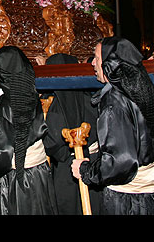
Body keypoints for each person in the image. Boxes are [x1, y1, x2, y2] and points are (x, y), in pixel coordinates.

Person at [71, 37, 154, 215]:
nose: (92, 63)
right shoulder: (140, 87)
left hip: (129, 200)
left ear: (111, 64)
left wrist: (86, 171)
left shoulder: (113, 101)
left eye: (97, 58)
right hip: (151, 191)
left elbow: (120, 162)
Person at [0, 46, 57, 215]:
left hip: (16, 181)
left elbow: (0, 158)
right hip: (38, 175)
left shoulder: (5, 104)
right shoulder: (31, 93)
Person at [41, 53, 101, 215]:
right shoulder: (92, 99)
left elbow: (52, 142)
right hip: (93, 165)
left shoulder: (56, 104)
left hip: (66, 171)